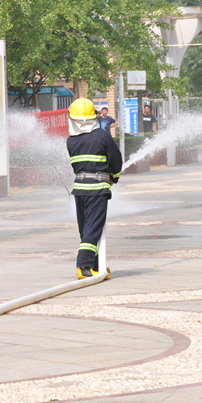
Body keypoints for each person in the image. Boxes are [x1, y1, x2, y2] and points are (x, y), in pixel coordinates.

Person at [66, 98, 123, 279]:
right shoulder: (102, 136)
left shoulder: (71, 141)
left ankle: (96, 265)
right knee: (93, 228)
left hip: (79, 190)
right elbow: (116, 160)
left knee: (86, 229)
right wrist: (114, 177)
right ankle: (84, 266)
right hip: (97, 189)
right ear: (94, 117)